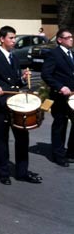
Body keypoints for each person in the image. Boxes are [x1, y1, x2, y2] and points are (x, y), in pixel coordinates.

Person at [0, 25, 42, 185]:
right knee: (2, 138)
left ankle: (22, 171)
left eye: (14, 38)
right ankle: (4, 172)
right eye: (11, 38)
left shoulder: (13, 57)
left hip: (15, 104)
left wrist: (22, 78)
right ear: (2, 39)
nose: (14, 41)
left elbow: (14, 82)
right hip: (0, 105)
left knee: (22, 137)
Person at [41, 28, 74, 166]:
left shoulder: (71, 54)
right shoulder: (53, 54)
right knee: (60, 125)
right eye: (68, 37)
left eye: (72, 37)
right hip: (59, 96)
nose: (71, 39)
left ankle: (71, 153)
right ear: (60, 40)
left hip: (72, 96)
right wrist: (60, 87)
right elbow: (46, 74)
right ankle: (58, 155)